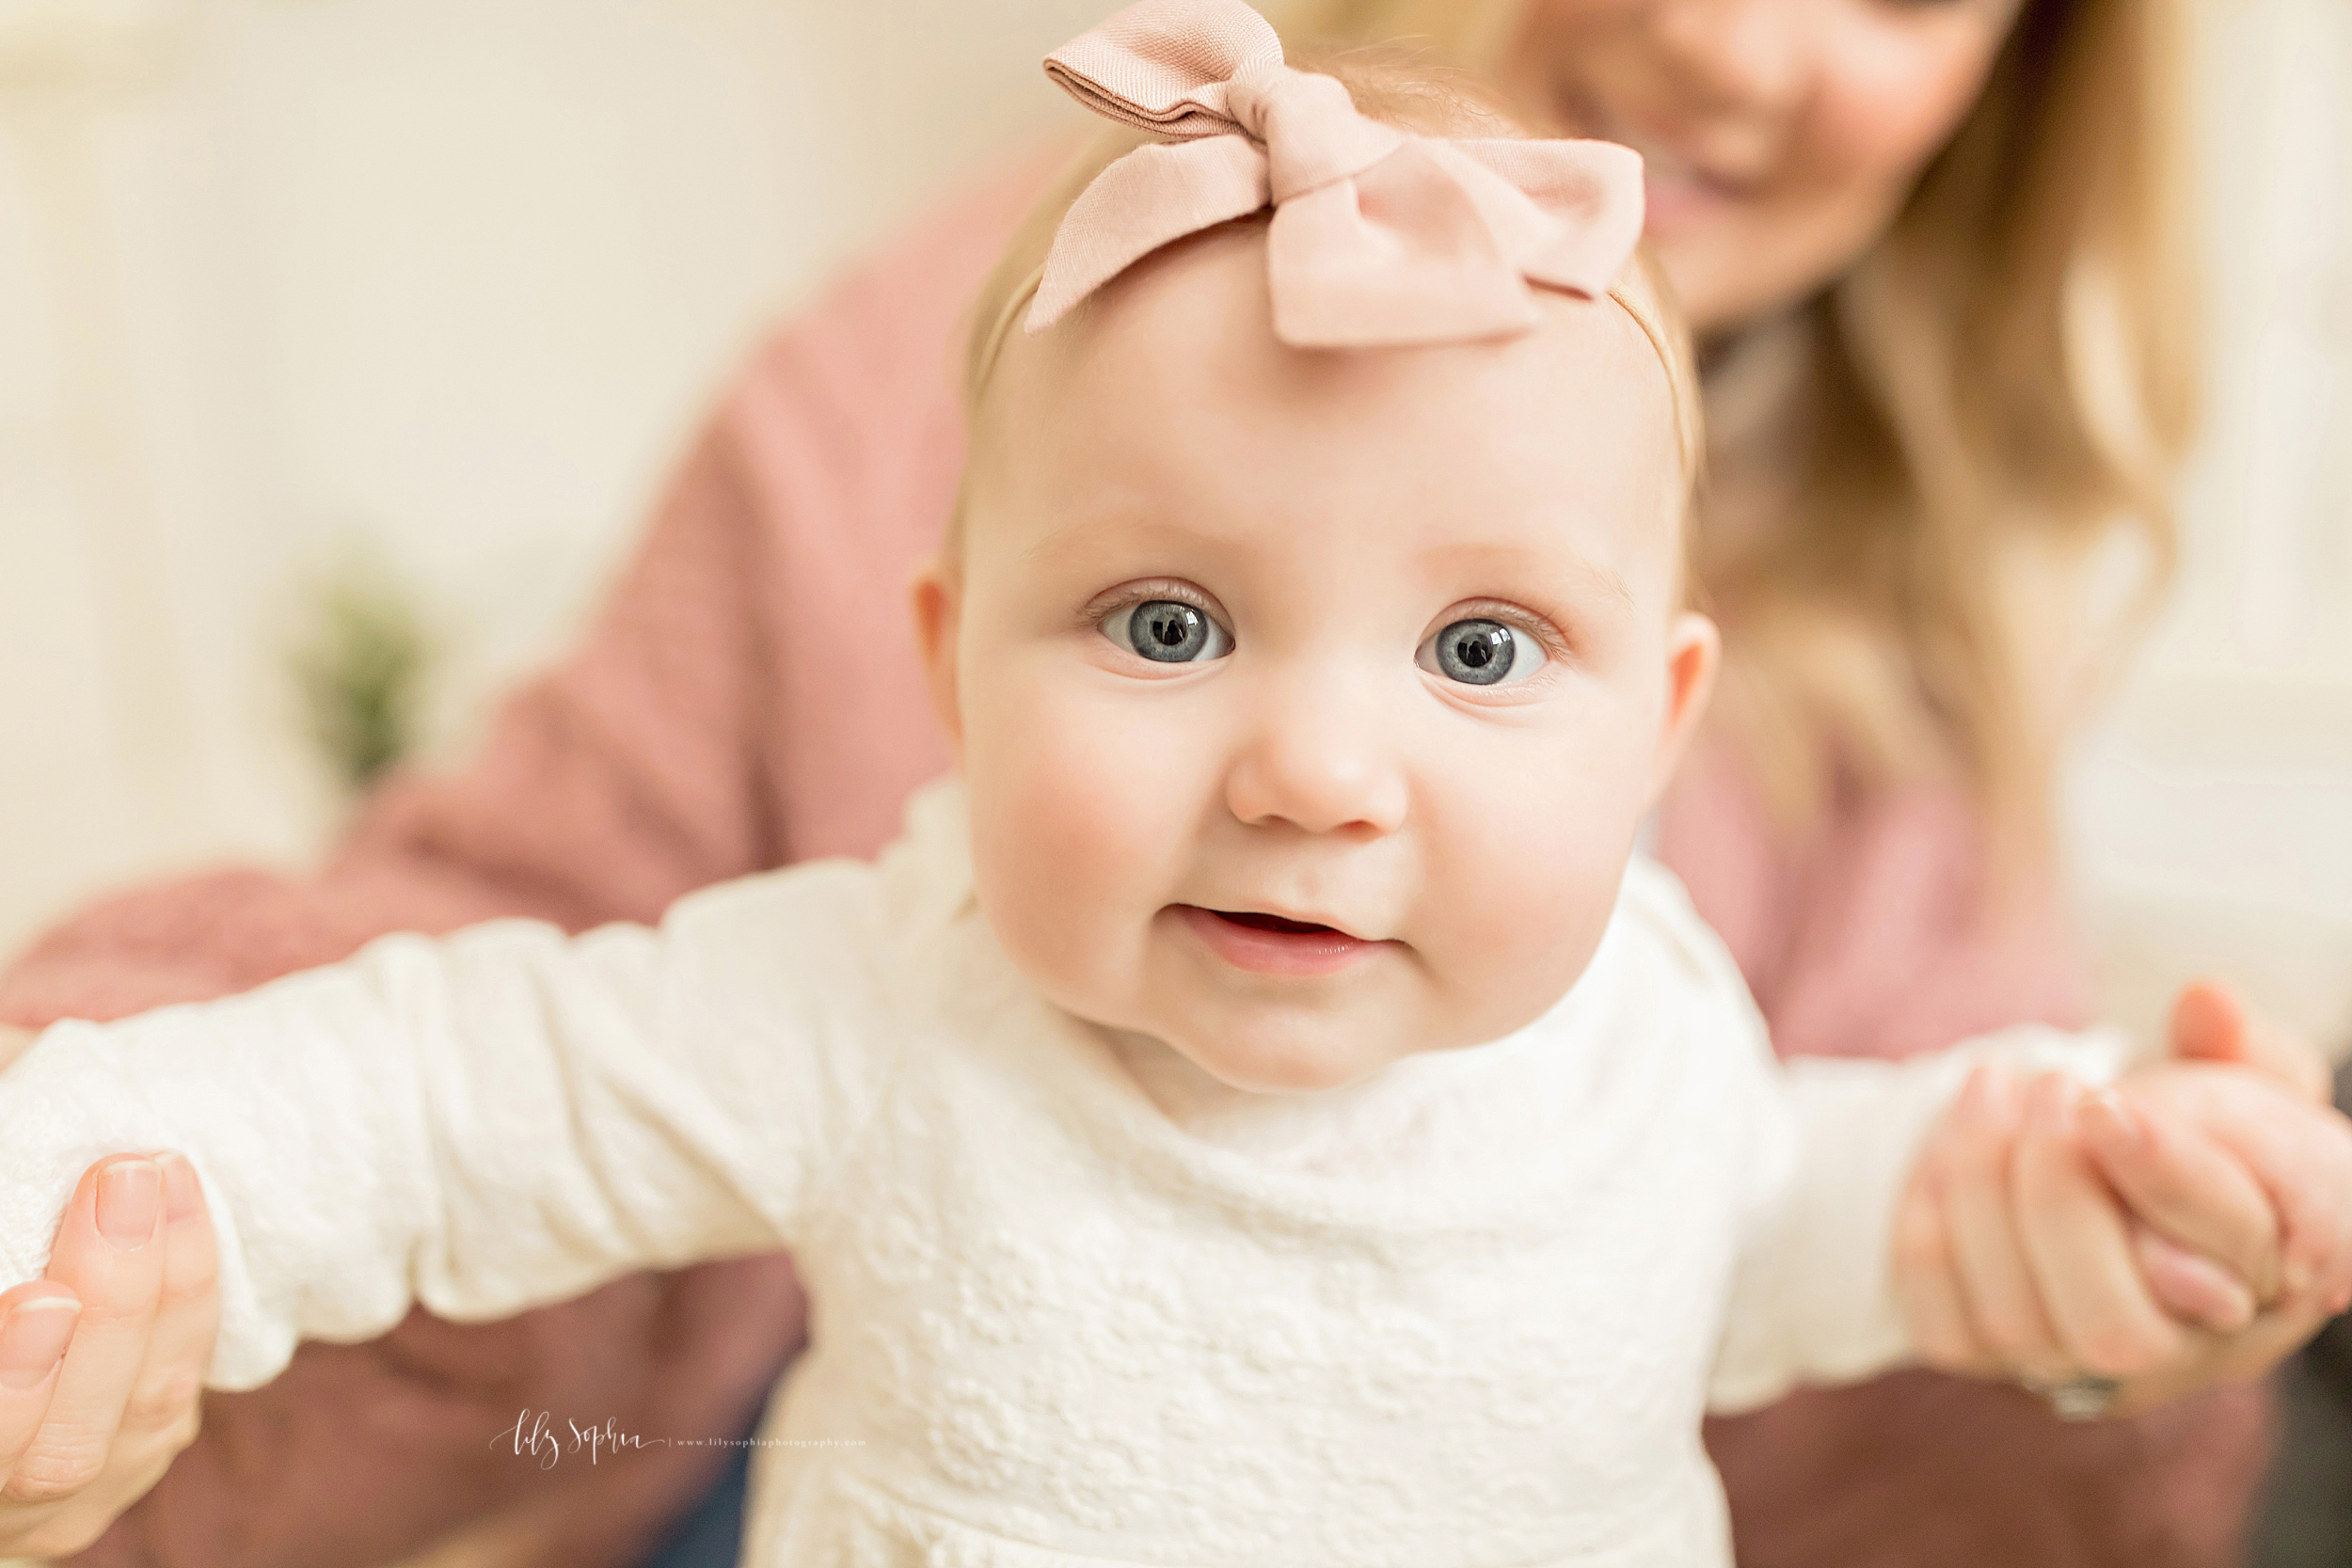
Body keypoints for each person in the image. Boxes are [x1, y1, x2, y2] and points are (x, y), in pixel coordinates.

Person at [0, 0, 2344, 1564]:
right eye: (1163, 627)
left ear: (1665, 717)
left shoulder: (1667, 1029)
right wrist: (70, 1198)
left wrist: (2078, 1228)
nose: (1316, 770)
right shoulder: (872, 990)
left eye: (1477, 649)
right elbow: (426, 1094)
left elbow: (1817, 1208)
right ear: (943, 657)